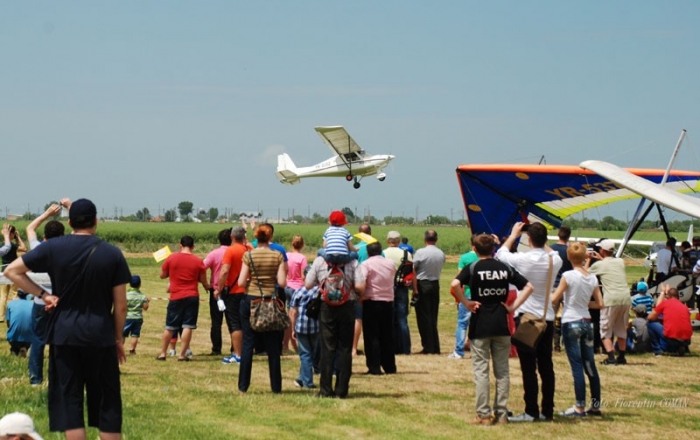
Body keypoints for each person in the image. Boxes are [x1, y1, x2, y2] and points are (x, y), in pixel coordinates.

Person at [4, 198, 131, 438]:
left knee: (69, 402)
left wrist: (43, 295)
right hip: (100, 334)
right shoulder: (112, 253)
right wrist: (117, 338)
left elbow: (11, 270)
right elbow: (121, 305)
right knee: (107, 403)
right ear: (96, 221)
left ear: (70, 222)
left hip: (64, 334)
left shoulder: (53, 248)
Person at [451, 233, 535, 425]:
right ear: (493, 249)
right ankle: (502, 414)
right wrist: (512, 307)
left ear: (475, 249)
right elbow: (529, 287)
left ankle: (483, 414)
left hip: (480, 324)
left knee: (481, 371)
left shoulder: (473, 267)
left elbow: (455, 284)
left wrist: (466, 302)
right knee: (502, 372)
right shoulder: (504, 267)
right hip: (501, 324)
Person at [496, 221, 562, 422]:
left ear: (529, 239)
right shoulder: (554, 260)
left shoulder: (524, 259)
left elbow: (501, 254)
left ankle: (531, 410)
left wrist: (514, 234)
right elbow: (551, 251)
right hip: (546, 317)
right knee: (546, 366)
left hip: (526, 317)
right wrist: (538, 236)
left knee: (528, 367)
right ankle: (547, 410)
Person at [550, 242, 604, 417]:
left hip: (571, 320)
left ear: (568, 257)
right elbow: (600, 303)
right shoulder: (592, 278)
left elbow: (555, 299)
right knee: (590, 364)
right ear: (584, 257)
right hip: (587, 321)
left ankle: (579, 407)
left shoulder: (568, 276)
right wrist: (584, 303)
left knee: (577, 366)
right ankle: (595, 405)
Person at [305, 251, 366, 398]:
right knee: (345, 348)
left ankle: (325, 389)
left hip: (326, 307)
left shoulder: (320, 261)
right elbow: (360, 286)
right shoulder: (353, 262)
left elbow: (308, 284)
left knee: (327, 348)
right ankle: (341, 390)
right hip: (347, 306)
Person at [237, 224, 287, 393]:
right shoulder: (277, 255)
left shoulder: (248, 255)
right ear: (270, 237)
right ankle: (276, 387)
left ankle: (243, 386)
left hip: (251, 299)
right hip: (270, 301)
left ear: (256, 238)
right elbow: (282, 282)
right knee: (273, 346)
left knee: (248, 344)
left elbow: (241, 282)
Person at [25, 201, 67, 385]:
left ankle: (36, 378)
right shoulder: (68, 251)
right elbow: (84, 234)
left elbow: (30, 228)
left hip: (41, 300)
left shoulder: (38, 249)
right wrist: (70, 208)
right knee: (59, 342)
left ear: (44, 237)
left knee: (38, 340)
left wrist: (47, 214)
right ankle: (58, 378)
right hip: (60, 302)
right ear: (63, 236)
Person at [156, 236, 209, 361]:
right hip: (192, 295)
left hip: (176, 296)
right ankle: (182, 355)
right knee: (188, 325)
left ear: (180, 245)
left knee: (170, 326)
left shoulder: (171, 258)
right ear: (193, 246)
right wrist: (207, 286)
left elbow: (162, 275)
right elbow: (203, 280)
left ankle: (163, 353)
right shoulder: (198, 261)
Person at [586, 239, 631, 366]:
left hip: (611, 299)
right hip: (625, 298)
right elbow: (610, 264)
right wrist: (601, 259)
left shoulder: (599, 265)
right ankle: (621, 356)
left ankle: (611, 357)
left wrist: (589, 259)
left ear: (602, 250)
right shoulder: (620, 262)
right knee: (621, 328)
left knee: (605, 329)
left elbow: (584, 273)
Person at [359, 242, 397, 375]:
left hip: (372, 301)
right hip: (388, 301)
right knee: (387, 335)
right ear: (381, 251)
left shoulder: (366, 264)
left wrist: (361, 297)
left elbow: (362, 281)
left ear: (368, 252)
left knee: (372, 335)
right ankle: (389, 366)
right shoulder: (390, 263)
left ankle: (374, 366)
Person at [215, 227, 250, 364]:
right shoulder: (249, 249)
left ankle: (238, 354)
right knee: (245, 322)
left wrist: (219, 288)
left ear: (232, 237)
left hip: (234, 291)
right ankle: (245, 351)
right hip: (247, 290)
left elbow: (225, 271)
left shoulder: (231, 250)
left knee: (234, 324)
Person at [412, 230, 446, 355]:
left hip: (423, 284)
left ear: (424, 239)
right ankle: (435, 346)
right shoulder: (441, 253)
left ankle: (428, 346)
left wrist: (415, 289)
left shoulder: (420, 252)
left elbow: (413, 270)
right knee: (433, 315)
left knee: (423, 317)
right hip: (435, 284)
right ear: (436, 239)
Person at [203, 228, 232, 356]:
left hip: (215, 290)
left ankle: (216, 348)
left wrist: (205, 283)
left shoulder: (213, 254)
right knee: (233, 321)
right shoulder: (236, 253)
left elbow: (201, 268)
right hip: (233, 290)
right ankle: (235, 348)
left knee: (216, 322)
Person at [382, 230, 412, 355]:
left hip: (387, 288)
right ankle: (405, 348)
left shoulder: (383, 253)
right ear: (399, 241)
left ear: (387, 241)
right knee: (402, 318)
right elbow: (411, 271)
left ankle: (390, 347)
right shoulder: (406, 254)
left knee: (388, 318)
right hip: (402, 287)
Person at [448, 236, 478, 359]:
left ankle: (459, 351)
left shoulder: (465, 257)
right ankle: (476, 351)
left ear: (471, 243)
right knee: (477, 323)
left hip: (468, 292)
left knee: (462, 323)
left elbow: (459, 277)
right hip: (481, 293)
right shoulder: (487, 258)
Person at [289, 285, 320, 388]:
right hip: (315, 327)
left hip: (301, 327)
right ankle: (301, 379)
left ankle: (307, 382)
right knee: (310, 354)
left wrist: (293, 328)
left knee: (305, 354)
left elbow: (293, 312)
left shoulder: (299, 291)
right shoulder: (319, 291)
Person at [647, 285, 692, 356]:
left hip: (672, 339)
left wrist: (663, 292)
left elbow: (650, 317)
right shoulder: (684, 307)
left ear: (668, 296)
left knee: (650, 323)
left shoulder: (665, 303)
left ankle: (657, 350)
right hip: (686, 340)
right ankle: (683, 347)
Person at [283, 235, 307, 352]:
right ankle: (295, 342)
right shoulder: (302, 258)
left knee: (289, 316)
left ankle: (286, 344)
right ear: (302, 245)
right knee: (296, 318)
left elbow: (284, 271)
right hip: (298, 289)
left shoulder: (287, 255)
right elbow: (303, 276)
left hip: (288, 286)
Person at [550, 226, 572, 353]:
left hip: (554, 286)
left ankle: (555, 344)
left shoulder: (551, 249)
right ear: (568, 236)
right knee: (568, 316)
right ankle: (568, 342)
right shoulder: (570, 250)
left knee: (551, 316)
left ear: (558, 235)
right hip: (567, 285)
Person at [1, 224, 27, 323]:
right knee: (13, 294)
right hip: (13, 272)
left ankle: (1, 316)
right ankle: (11, 315)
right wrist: (18, 237)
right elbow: (24, 248)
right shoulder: (12, 246)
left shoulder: (1, 245)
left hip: (3, 272)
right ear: (12, 234)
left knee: (3, 295)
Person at [123, 275, 149, 355]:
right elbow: (145, 308)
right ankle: (132, 350)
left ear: (130, 284)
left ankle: (119, 349)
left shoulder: (126, 295)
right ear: (139, 285)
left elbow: (123, 306)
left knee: (122, 334)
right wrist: (147, 302)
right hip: (138, 318)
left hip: (127, 318)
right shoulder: (142, 296)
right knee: (135, 335)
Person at [5, 290, 33, 357]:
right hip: (29, 336)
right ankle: (24, 347)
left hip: (14, 337)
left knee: (14, 347)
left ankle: (15, 350)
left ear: (17, 294)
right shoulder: (33, 304)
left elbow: (8, 322)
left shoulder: (10, 304)